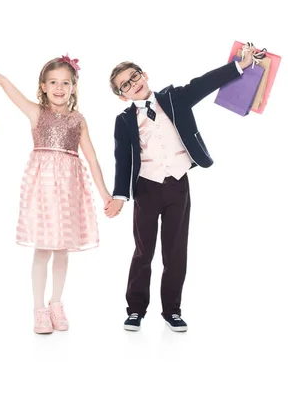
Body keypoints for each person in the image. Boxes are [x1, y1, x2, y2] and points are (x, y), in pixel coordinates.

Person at [105, 46, 256, 332]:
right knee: (143, 251)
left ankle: (172, 310)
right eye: (125, 84)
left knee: (175, 251)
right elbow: (122, 158)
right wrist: (120, 196)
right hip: (146, 188)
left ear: (144, 75)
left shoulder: (174, 98)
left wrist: (238, 67)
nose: (133, 83)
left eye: (134, 76)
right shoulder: (124, 120)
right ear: (122, 95)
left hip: (177, 186)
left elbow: (204, 83)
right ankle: (136, 310)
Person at [0, 54, 112, 334]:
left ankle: (56, 302)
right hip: (42, 187)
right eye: (53, 82)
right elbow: (6, 84)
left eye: (65, 83)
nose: (59, 87)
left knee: (62, 248)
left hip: (69, 187)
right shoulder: (36, 113)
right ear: (43, 86)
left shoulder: (78, 120)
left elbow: (92, 159)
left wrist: (105, 195)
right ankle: (39, 308)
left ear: (73, 87)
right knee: (43, 247)